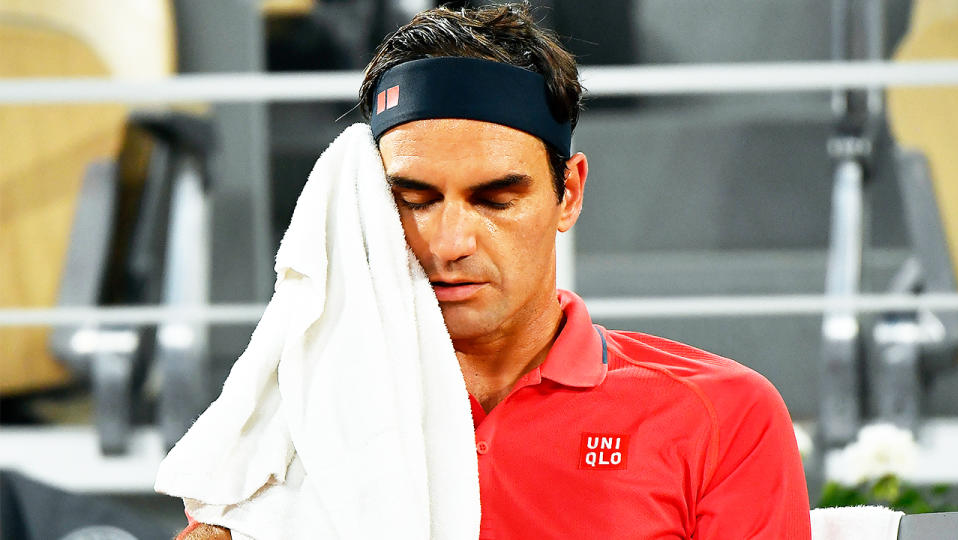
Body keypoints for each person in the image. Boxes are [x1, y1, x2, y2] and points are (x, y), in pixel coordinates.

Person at [182, 3, 811, 539]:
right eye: (415, 200)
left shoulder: (723, 414)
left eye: (495, 199)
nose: (449, 242)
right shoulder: (294, 420)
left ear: (569, 194)